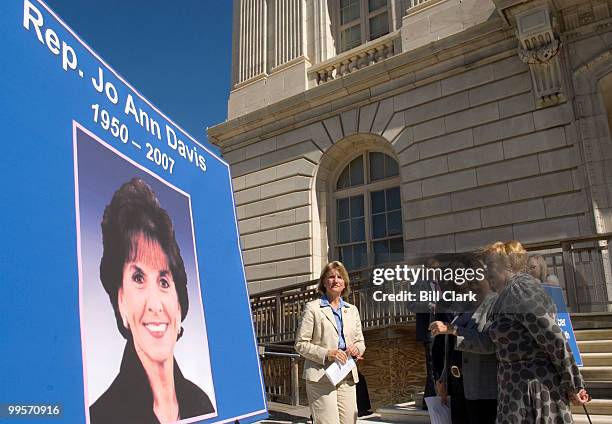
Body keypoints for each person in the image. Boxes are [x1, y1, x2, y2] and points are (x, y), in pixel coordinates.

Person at [90, 178, 214, 424]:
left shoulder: (202, 403)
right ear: (121, 301)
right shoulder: (101, 417)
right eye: (138, 278)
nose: (155, 305)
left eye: (164, 281)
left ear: (179, 305)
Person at [459, 241, 588, 423]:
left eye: (491, 266)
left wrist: (574, 384)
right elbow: (492, 341)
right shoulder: (506, 294)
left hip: (533, 391)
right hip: (514, 390)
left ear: (509, 264)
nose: (486, 273)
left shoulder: (521, 289)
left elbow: (553, 338)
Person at [429, 254, 498, 424]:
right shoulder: (466, 307)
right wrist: (443, 379)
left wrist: (453, 329)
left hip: (483, 392)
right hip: (459, 389)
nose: (469, 284)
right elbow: (449, 349)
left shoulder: (496, 304)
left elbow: (490, 343)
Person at [295, 261, 366, 424]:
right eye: (331, 277)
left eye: (339, 277)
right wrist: (328, 353)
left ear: (345, 282)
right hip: (320, 376)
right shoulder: (312, 308)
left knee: (350, 420)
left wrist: (356, 349)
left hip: (346, 373)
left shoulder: (352, 310)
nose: (336, 280)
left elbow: (360, 341)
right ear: (324, 282)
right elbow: (300, 344)